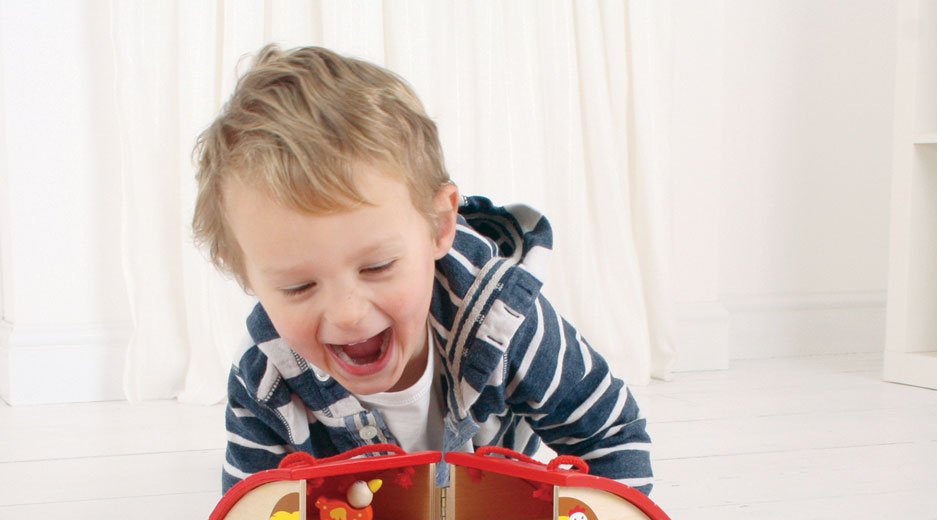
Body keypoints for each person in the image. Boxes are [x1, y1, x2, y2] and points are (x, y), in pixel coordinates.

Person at [192, 44, 653, 495]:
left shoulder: (503, 320)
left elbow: (613, 436)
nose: (348, 313)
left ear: (439, 225)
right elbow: (249, 519)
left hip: (494, 515)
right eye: (298, 286)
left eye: (377, 266)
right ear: (248, 278)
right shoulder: (266, 376)